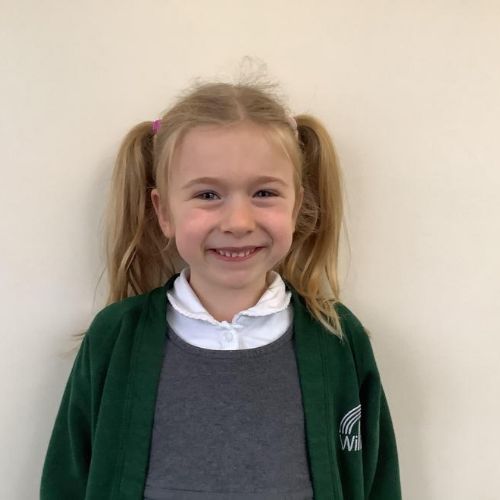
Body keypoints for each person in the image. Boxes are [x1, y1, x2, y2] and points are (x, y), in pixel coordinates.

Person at [40, 78, 402, 500]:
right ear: (163, 212)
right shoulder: (114, 336)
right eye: (208, 194)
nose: (238, 222)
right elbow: (67, 479)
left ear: (297, 205)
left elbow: (377, 478)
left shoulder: (338, 338)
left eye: (264, 192)